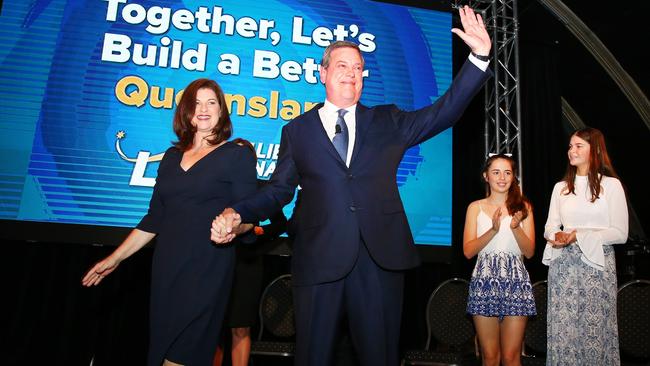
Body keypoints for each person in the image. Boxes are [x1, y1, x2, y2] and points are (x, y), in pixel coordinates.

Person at [211, 6, 492, 365]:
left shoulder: (388, 120)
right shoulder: (297, 131)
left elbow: (445, 111)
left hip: (380, 260)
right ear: (323, 73)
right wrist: (240, 212)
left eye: (358, 68)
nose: (352, 74)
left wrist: (480, 57)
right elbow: (279, 190)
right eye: (342, 66)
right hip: (318, 259)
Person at [82, 78, 258, 366]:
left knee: (181, 357)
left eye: (211, 102)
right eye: (196, 103)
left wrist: (233, 226)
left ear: (221, 111)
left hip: (207, 272)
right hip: (167, 272)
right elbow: (154, 219)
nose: (203, 109)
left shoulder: (236, 155)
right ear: (186, 111)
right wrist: (115, 259)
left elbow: (249, 218)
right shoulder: (170, 157)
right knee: (162, 354)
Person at [543, 127, 628, 365]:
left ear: (595, 150)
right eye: (570, 146)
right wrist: (557, 235)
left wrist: (578, 235)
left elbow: (620, 233)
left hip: (597, 267)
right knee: (564, 330)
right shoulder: (560, 188)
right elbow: (550, 226)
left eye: (579, 145)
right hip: (563, 268)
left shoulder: (611, 186)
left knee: (596, 330)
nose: (572, 150)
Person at [463, 154, 536, 366]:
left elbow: (530, 252)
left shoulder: (525, 208)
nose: (502, 177)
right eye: (496, 172)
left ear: (513, 177)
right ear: (486, 176)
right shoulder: (475, 207)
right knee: (490, 357)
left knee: (512, 357)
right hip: (484, 282)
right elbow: (468, 251)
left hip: (516, 282)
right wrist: (493, 230)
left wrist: (514, 227)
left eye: (507, 172)